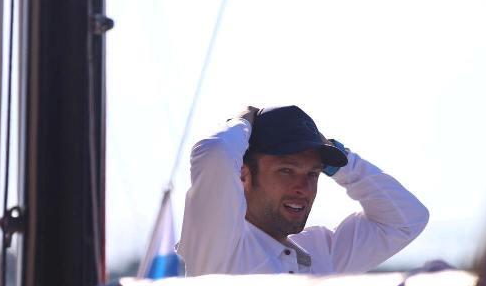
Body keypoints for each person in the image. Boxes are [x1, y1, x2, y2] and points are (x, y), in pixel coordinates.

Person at [177, 105, 429, 276]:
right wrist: (242, 121)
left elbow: (406, 220)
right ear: (244, 174)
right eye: (286, 170)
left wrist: (341, 161)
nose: (303, 188)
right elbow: (216, 152)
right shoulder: (219, 243)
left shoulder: (322, 252)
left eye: (313, 173)